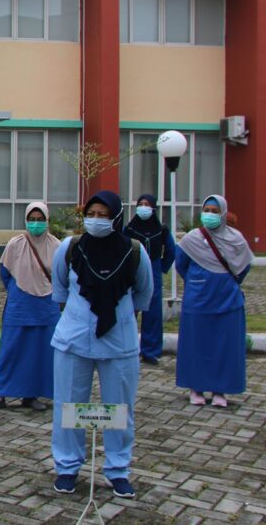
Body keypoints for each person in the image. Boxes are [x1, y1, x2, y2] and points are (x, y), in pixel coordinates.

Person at [50, 190, 152, 499]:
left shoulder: (134, 251)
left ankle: (118, 469)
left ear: (116, 217)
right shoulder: (70, 247)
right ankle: (67, 467)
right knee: (68, 405)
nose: (96, 220)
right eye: (91, 214)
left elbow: (144, 292)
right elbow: (60, 287)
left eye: (104, 215)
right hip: (74, 339)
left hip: (118, 342)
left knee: (119, 408)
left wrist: (119, 314)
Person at [0, 202, 60, 412]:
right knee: (11, 348)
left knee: (39, 351)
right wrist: (20, 290)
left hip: (46, 306)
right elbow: (5, 273)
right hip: (20, 304)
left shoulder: (56, 246)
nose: (36, 224)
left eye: (40, 219)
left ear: (47, 220)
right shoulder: (15, 244)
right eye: (32, 219)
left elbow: (62, 276)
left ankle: (31, 395)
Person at [175, 195, 252, 408]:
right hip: (198, 301)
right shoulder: (191, 239)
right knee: (196, 344)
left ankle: (220, 390)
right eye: (206, 210)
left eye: (215, 211)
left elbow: (244, 266)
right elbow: (181, 264)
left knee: (225, 346)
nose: (209, 214)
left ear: (223, 214)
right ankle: (196, 388)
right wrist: (197, 281)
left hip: (228, 301)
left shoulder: (236, 239)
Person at [124, 194, 176, 365]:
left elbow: (171, 250)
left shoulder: (161, 229)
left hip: (154, 268)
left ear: (153, 208)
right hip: (133, 268)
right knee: (129, 309)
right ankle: (127, 347)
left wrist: (162, 267)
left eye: (147, 204)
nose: (143, 207)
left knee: (153, 311)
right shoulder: (129, 229)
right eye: (141, 204)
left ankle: (150, 351)